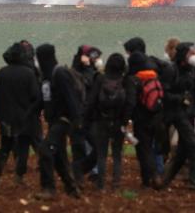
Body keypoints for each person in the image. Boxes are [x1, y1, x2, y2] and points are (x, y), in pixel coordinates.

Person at [0, 42, 46, 189]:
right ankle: (19, 177)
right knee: (25, 148)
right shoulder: (29, 73)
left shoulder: (3, 72)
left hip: (6, 119)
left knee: (4, 148)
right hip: (26, 119)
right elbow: (35, 96)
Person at [34, 44, 81, 198]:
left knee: (45, 149)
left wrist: (76, 121)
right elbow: (42, 100)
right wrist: (27, 115)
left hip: (64, 120)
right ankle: (72, 189)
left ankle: (49, 189)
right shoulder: (46, 77)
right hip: (54, 122)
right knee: (59, 157)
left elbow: (71, 98)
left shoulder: (60, 74)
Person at [159, 42, 195, 190]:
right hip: (176, 114)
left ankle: (163, 181)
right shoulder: (171, 70)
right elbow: (163, 94)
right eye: (191, 53)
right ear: (183, 55)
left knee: (183, 151)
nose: (194, 55)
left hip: (191, 114)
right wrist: (180, 99)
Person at [86, 53, 133, 191]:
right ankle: (116, 184)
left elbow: (92, 101)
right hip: (119, 121)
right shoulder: (125, 81)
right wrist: (125, 120)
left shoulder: (100, 79)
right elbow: (130, 103)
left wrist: (87, 118)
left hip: (102, 120)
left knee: (102, 154)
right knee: (117, 153)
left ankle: (101, 185)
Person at [127, 51, 165, 188]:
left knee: (144, 150)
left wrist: (126, 118)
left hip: (141, 120)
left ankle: (149, 178)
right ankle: (159, 174)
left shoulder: (135, 80)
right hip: (157, 118)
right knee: (156, 148)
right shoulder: (155, 77)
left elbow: (131, 102)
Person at [68, 45, 101, 182]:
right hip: (82, 114)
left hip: (89, 113)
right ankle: (83, 172)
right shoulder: (77, 72)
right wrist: (88, 67)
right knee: (84, 145)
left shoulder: (89, 70)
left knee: (91, 145)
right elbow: (87, 83)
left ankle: (87, 171)